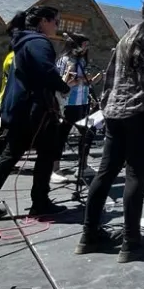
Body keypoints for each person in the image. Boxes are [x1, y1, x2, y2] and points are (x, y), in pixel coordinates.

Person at [76, 0, 144, 263]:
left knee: (105, 172)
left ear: (142, 9)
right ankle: (131, 242)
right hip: (138, 113)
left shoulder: (127, 36)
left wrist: (109, 106)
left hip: (113, 112)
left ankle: (88, 236)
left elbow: (110, 76)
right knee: (135, 175)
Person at [0, 6, 71, 221]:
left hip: (21, 107)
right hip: (34, 109)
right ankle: (39, 202)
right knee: (46, 153)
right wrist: (63, 86)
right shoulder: (38, 42)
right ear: (44, 21)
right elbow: (46, 70)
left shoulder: (23, 42)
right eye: (56, 22)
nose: (57, 27)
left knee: (12, 153)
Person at [0, 10, 28, 173]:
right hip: (9, 98)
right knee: (5, 132)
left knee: (5, 132)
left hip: (6, 97)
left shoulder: (10, 55)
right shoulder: (14, 57)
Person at [51, 33, 93, 183]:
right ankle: (55, 168)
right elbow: (63, 83)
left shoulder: (81, 60)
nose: (87, 47)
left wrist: (89, 81)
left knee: (87, 133)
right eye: (84, 44)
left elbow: (82, 81)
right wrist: (78, 80)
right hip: (68, 103)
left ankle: (83, 166)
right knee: (61, 136)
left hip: (82, 102)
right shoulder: (65, 60)